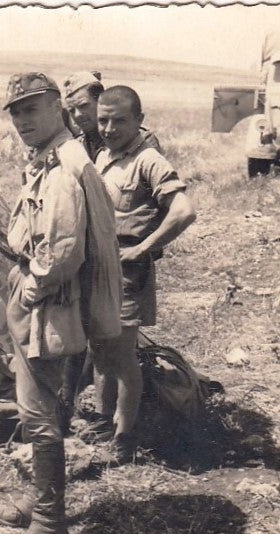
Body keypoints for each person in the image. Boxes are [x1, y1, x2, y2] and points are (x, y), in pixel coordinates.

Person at [0, 73, 122, 534]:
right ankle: (40, 498)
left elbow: (63, 249)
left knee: (39, 409)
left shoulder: (64, 168)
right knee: (47, 401)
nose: (22, 121)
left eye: (32, 109)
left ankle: (49, 525)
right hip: (51, 297)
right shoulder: (52, 158)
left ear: (56, 108)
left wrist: (30, 287)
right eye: (16, 112)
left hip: (51, 301)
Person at [87, 85, 197, 463]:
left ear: (139, 120)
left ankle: (124, 436)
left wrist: (142, 248)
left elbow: (183, 211)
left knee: (121, 356)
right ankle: (102, 424)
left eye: (119, 120)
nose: (109, 127)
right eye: (103, 119)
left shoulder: (149, 161)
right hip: (98, 270)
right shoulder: (103, 157)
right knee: (99, 352)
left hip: (128, 275)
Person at [62, 71, 163, 161]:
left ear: (100, 102)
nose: (78, 115)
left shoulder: (139, 138)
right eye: (72, 110)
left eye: (84, 106)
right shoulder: (77, 147)